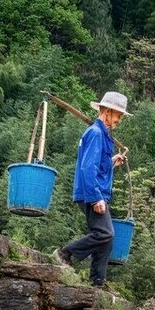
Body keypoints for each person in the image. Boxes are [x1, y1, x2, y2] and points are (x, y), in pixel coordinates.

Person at [53, 91, 130, 287]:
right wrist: (96, 198)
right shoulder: (96, 133)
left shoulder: (102, 135)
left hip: (95, 191)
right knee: (105, 233)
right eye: (119, 115)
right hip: (92, 194)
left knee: (105, 238)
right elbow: (88, 168)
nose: (120, 120)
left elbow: (97, 166)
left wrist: (112, 162)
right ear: (107, 111)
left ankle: (98, 281)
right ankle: (65, 253)